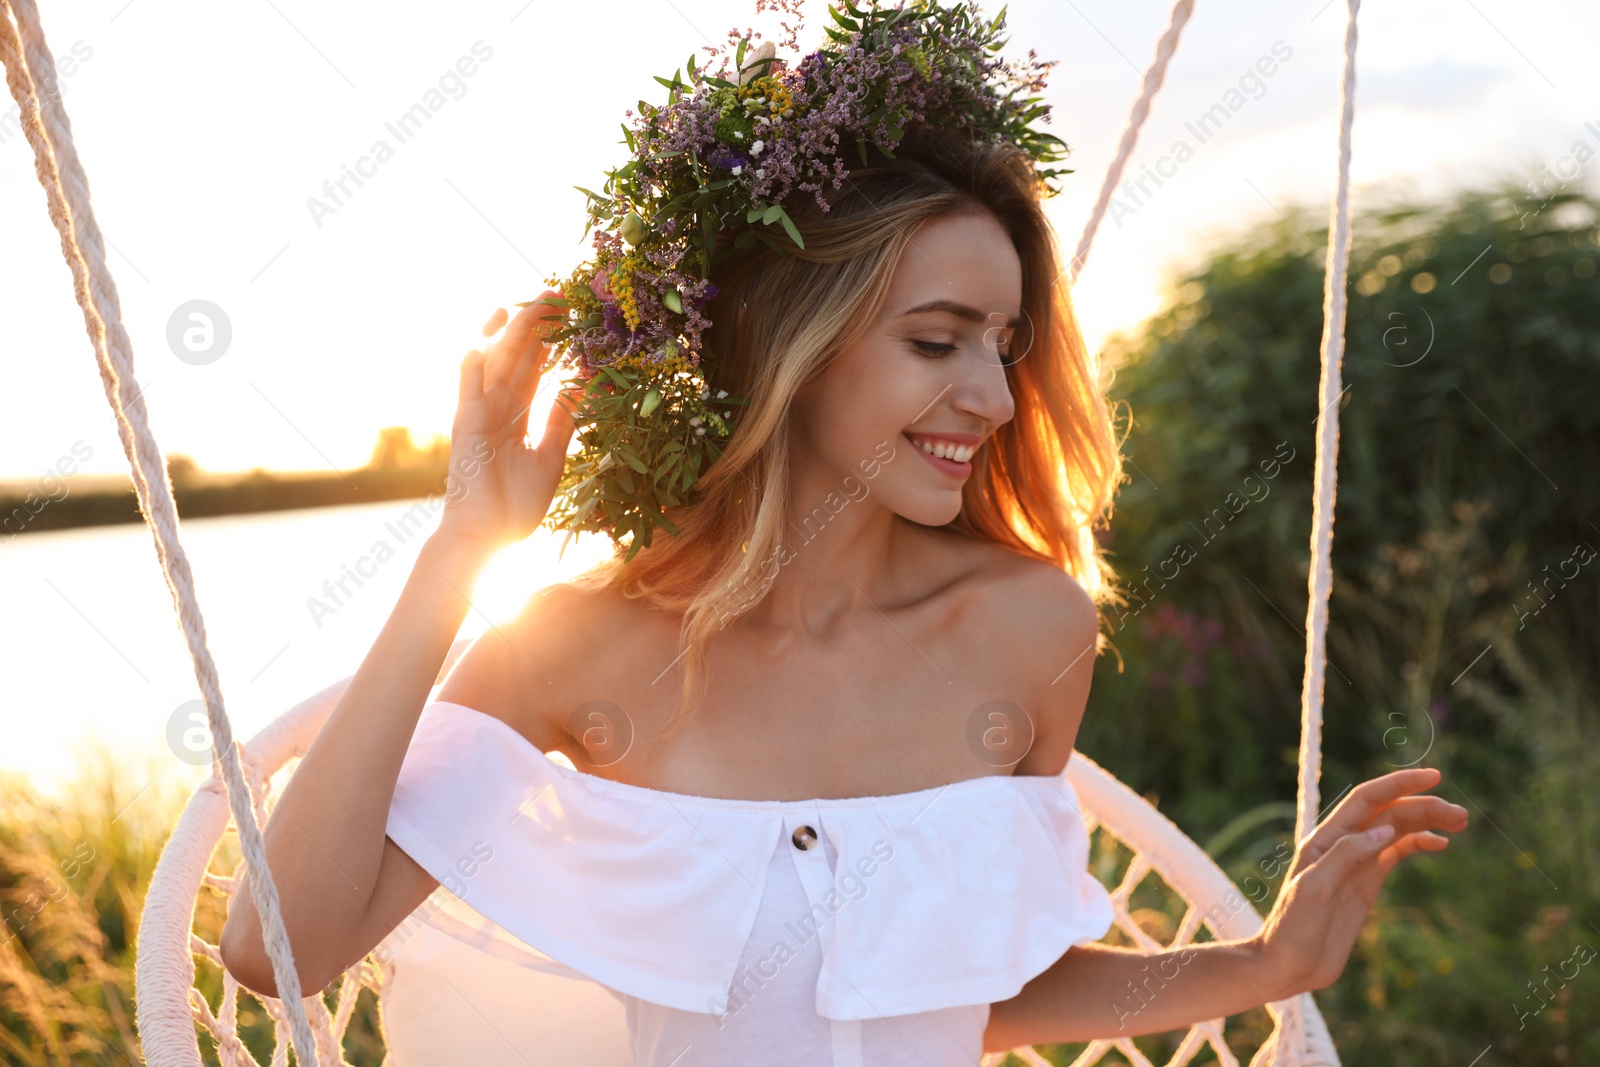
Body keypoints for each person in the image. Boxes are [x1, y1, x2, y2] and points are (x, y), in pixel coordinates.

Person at [219, 12, 1468, 1065]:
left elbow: (966, 988)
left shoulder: (1027, 628)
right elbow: (277, 945)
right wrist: (458, 551)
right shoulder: (576, 647)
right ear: (786, 343)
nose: (989, 393)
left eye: (1004, 343)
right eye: (936, 339)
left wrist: (1267, 960)